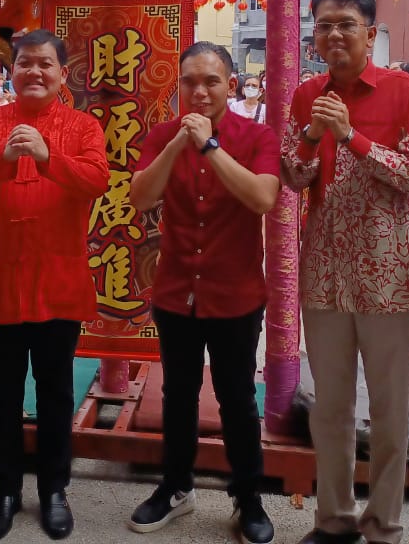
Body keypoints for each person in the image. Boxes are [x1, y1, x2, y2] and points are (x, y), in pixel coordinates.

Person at [280, 0, 409, 544]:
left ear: (371, 33)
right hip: (323, 271)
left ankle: (384, 523)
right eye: (323, 25)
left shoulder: (407, 91)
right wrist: (310, 136)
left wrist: (353, 138)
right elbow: (292, 181)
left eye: (345, 23)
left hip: (388, 272)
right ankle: (335, 519)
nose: (333, 34)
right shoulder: (306, 95)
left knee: (391, 411)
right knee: (330, 408)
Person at [0, 30, 109, 543]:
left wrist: (45, 156)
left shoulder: (83, 126)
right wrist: (0, 157)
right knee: (1, 395)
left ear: (63, 74)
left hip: (57, 279)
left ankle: (54, 492)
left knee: (57, 392)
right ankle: (5, 492)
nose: (34, 72)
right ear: (9, 72)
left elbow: (97, 181)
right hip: (0, 279)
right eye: (24, 64)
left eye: (45, 64)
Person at [127, 42, 280, 544]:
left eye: (211, 81)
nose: (199, 91)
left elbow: (262, 197)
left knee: (238, 397)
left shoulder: (256, 136)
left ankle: (248, 497)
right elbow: (141, 196)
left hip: (234, 292)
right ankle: (175, 487)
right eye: (190, 81)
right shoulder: (162, 135)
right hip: (175, 290)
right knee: (178, 394)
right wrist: (179, 144)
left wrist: (211, 147)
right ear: (179, 88)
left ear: (230, 86)